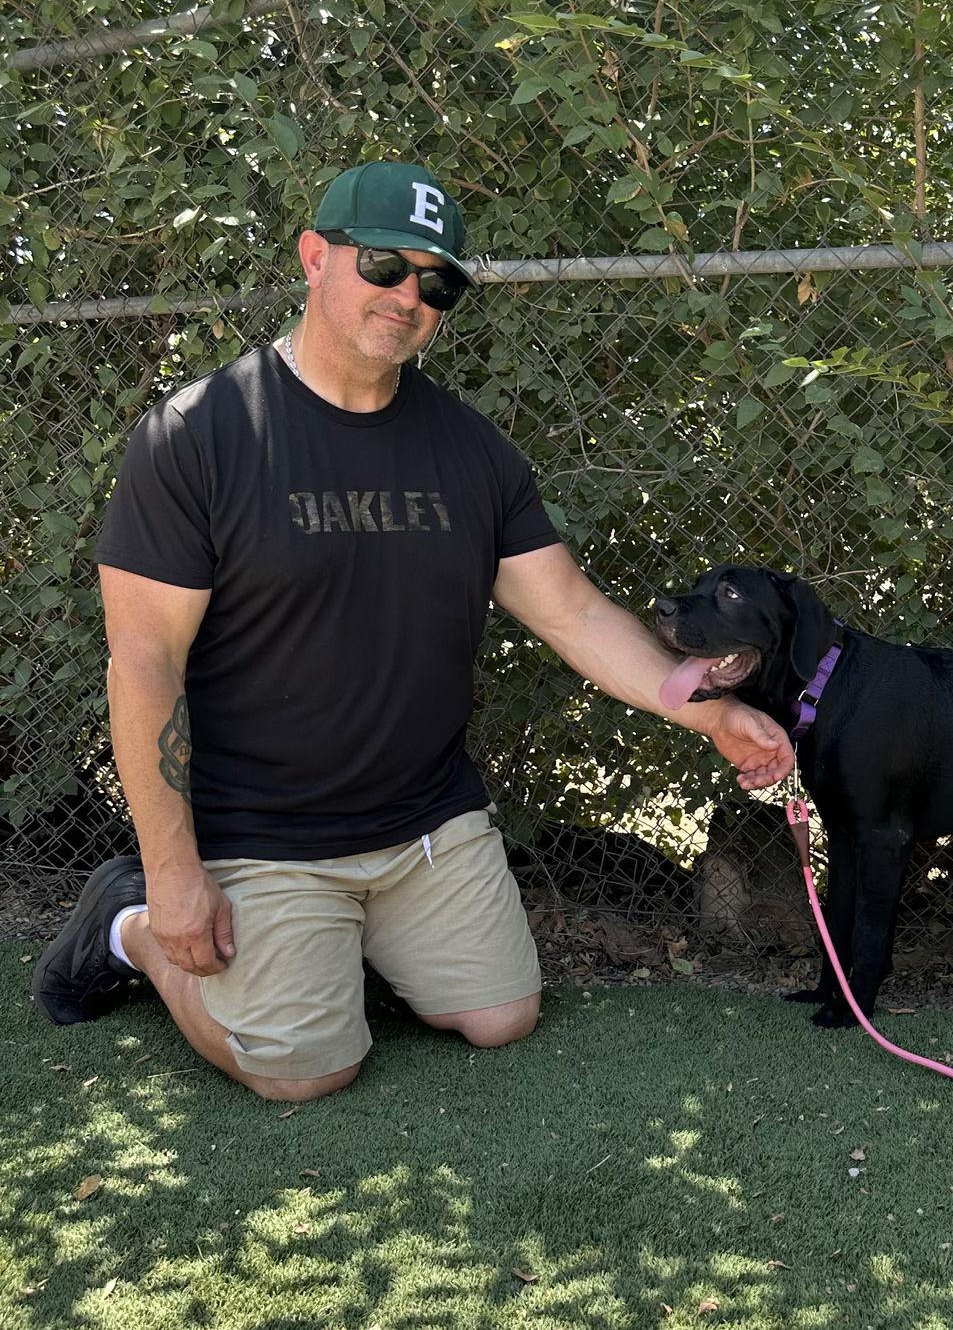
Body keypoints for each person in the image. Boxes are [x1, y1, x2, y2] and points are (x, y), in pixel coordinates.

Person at [32, 161, 793, 1102]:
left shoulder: (471, 452)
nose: (409, 296)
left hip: (423, 823)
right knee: (309, 1071)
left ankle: (332, 939)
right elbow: (145, 660)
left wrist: (706, 713)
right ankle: (128, 923)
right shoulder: (201, 434)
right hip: (257, 828)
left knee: (500, 1017)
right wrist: (173, 869)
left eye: (438, 283)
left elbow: (574, 611)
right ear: (315, 257)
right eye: (385, 266)